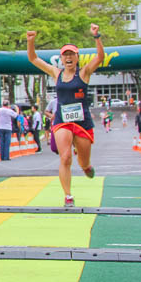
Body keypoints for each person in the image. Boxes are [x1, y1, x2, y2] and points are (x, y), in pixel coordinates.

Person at [26, 26, 104, 206]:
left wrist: (96, 36)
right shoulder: (56, 73)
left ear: (77, 57)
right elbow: (33, 58)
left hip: (82, 121)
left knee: (83, 161)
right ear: (61, 58)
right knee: (65, 157)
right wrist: (31, 41)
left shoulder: (84, 73)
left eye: (72, 54)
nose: (68, 58)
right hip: (62, 121)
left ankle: (86, 167)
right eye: (65, 55)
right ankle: (68, 195)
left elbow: (99, 57)